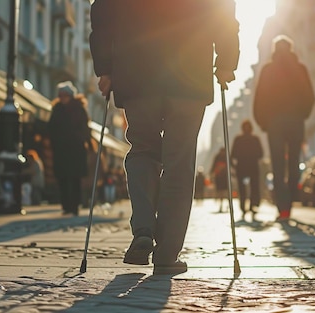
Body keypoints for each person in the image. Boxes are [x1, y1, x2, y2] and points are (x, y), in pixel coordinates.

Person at [90, 0, 239, 275]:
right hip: (189, 74)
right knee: (179, 162)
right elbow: (222, 11)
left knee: (142, 148)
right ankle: (168, 253)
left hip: (137, 71)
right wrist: (227, 61)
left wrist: (105, 68)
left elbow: (103, 12)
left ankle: (144, 227)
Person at [253, 36, 315, 222]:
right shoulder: (300, 69)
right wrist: (302, 115)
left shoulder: (268, 70)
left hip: (275, 123)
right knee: (294, 161)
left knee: (278, 165)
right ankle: (291, 199)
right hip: (296, 121)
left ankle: (283, 207)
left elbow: (259, 99)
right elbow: (310, 96)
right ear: (291, 48)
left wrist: (264, 122)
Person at [48, 81, 92, 216]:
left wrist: (84, 141)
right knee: (62, 178)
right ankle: (66, 206)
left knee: (75, 178)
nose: (62, 98)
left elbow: (85, 127)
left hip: (76, 149)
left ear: (71, 96)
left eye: (65, 95)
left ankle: (74, 206)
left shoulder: (79, 108)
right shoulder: (56, 109)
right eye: (60, 95)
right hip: (61, 149)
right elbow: (51, 127)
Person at [231, 120, 263, 219]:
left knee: (242, 188)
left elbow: (233, 154)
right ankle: (253, 205)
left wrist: (234, 166)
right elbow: (261, 154)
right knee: (254, 187)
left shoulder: (238, 139)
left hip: (241, 167)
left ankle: (243, 207)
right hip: (253, 166)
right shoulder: (255, 139)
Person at [211, 148, 229, 213]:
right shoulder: (226, 156)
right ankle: (226, 205)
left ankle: (221, 205)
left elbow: (213, 165)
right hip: (224, 177)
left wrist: (211, 173)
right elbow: (231, 165)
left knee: (220, 192)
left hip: (219, 177)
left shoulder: (218, 156)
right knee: (225, 192)